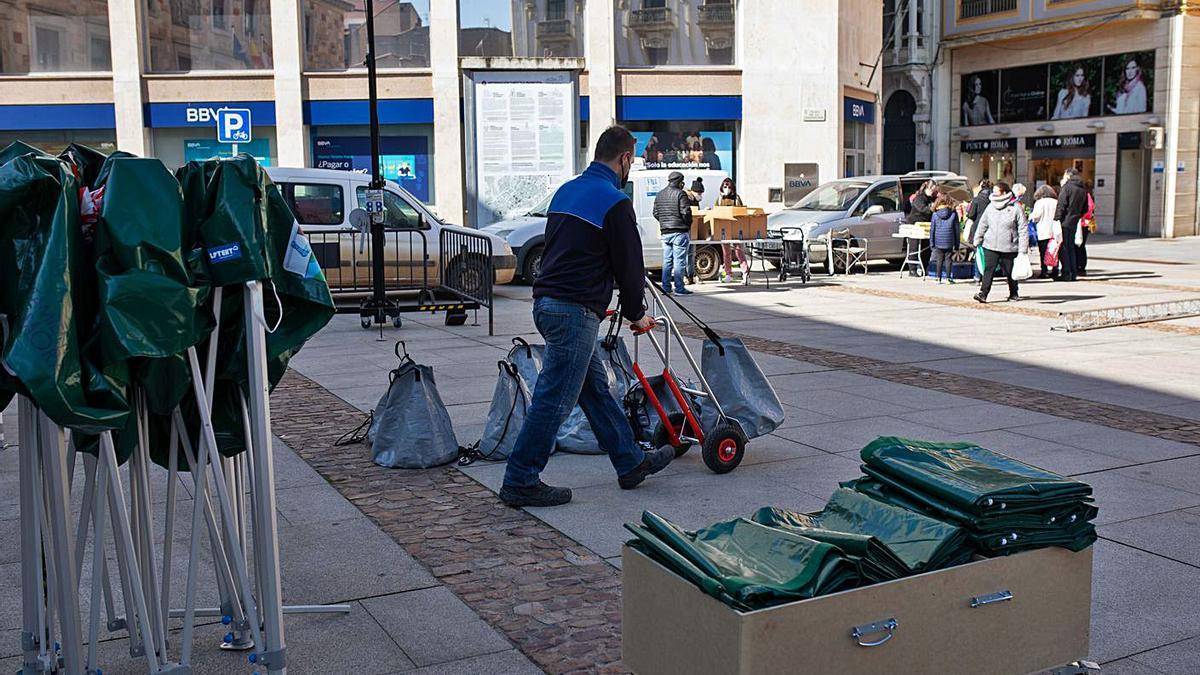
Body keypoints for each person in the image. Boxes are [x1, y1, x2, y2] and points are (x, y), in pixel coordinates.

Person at [500, 126, 674, 508]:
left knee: (594, 389)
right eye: (632, 161)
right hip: (574, 310)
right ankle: (520, 479)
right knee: (555, 398)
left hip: (548, 303)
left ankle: (630, 462)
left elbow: (566, 248)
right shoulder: (614, 201)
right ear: (625, 158)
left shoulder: (566, 191)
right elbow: (630, 266)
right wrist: (637, 314)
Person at [972, 182, 1029, 303]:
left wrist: (1023, 249)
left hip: (1009, 246)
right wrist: (977, 239)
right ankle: (983, 293)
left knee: (1010, 272)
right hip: (990, 244)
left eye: (996, 191)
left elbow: (1023, 229)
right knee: (988, 270)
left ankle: (1014, 292)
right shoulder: (990, 206)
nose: (994, 193)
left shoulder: (1015, 207)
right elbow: (983, 224)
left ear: (1004, 192)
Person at [654, 170, 694, 295]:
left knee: (667, 261)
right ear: (679, 182)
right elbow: (686, 212)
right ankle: (679, 288)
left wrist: (664, 223)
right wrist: (687, 225)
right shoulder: (681, 194)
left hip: (665, 232)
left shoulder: (659, 194)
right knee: (679, 261)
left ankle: (665, 288)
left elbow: (655, 213)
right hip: (679, 231)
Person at [1054, 168, 1089, 282]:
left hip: (1064, 221)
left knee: (1063, 247)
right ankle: (1073, 272)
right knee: (1071, 247)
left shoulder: (1067, 187)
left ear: (1068, 176)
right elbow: (1085, 208)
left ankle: (1066, 272)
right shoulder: (1082, 189)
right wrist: (1077, 215)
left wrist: (1057, 219)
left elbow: (1061, 204)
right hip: (1074, 221)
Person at [716, 178, 750, 284]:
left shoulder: (736, 198)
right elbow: (716, 211)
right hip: (724, 228)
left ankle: (745, 273)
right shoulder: (719, 199)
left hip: (736, 227)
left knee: (739, 251)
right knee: (726, 253)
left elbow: (741, 212)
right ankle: (728, 274)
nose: (727, 189)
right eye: (725, 187)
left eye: (729, 187)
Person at [1029, 184, 1062, 279]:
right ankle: (1055, 269)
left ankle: (1044, 271)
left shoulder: (1039, 202)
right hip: (1055, 230)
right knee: (1054, 251)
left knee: (1043, 252)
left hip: (1043, 230)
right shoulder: (1056, 202)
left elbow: (1035, 216)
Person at [928, 195, 961, 284]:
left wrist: (931, 243)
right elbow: (957, 230)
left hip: (938, 240)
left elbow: (932, 229)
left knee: (939, 259)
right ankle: (948, 278)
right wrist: (957, 245)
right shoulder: (953, 213)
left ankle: (938, 277)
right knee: (948, 259)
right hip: (949, 240)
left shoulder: (935, 214)